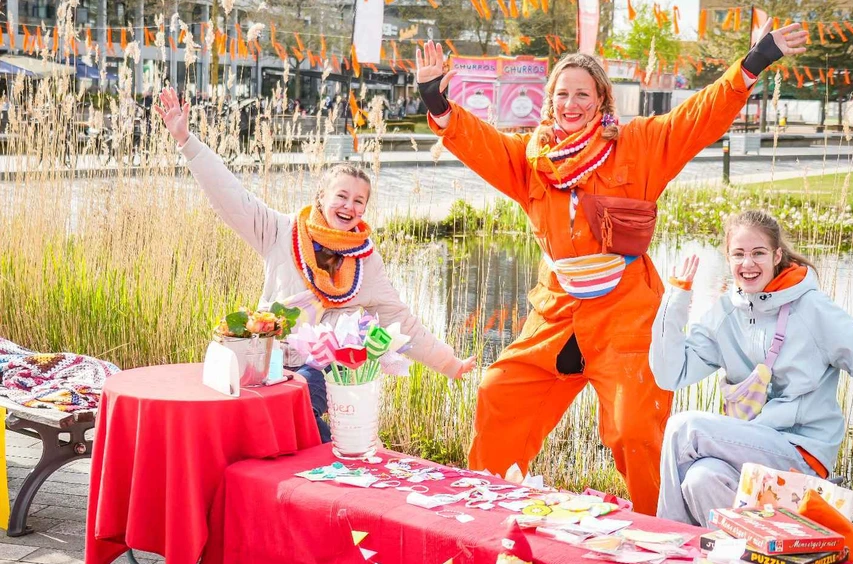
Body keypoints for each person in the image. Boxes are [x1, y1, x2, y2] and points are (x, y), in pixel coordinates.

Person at [415, 20, 808, 514]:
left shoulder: (637, 145)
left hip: (625, 310)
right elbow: (478, 142)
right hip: (556, 314)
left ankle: (660, 528)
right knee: (499, 393)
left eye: (583, 94)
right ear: (550, 100)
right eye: (563, 94)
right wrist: (436, 100)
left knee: (635, 428)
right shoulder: (531, 158)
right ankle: (484, 511)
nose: (572, 104)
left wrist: (753, 62)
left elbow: (697, 118)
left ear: (601, 99)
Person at [154, 87, 475, 442]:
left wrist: (450, 364)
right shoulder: (280, 231)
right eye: (341, 195)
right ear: (321, 196)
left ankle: (326, 473)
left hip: (321, 369)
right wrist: (186, 140)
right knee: (257, 422)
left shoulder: (366, 260)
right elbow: (231, 196)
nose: (348, 207)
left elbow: (400, 319)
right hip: (268, 360)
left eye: (358, 201)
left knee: (303, 403)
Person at [650, 210, 853, 526]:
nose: (748, 264)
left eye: (758, 253)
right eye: (738, 254)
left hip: (800, 454)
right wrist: (676, 298)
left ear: (776, 255)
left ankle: (667, 541)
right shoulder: (725, 314)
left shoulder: (813, 311)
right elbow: (669, 374)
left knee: (682, 428)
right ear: (728, 259)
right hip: (750, 447)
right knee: (701, 478)